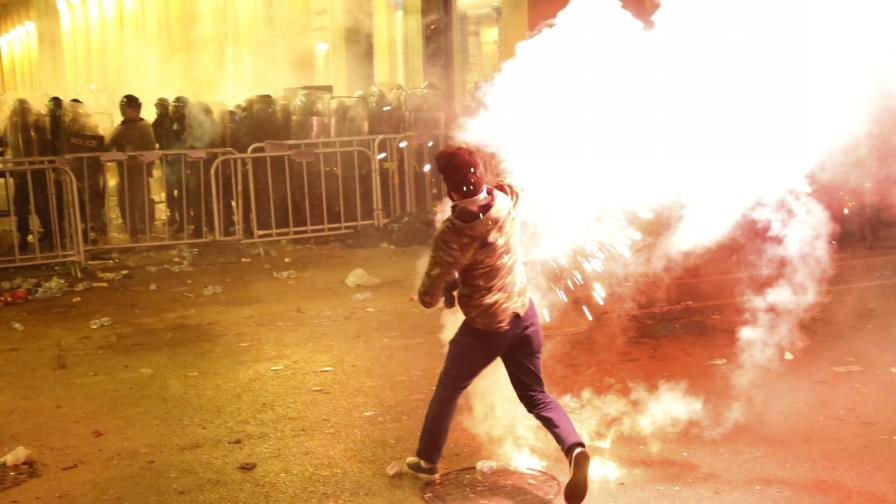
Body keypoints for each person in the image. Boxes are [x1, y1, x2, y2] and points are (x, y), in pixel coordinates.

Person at [402, 147, 591, 504]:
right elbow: (502, 199)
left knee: (449, 386)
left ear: (451, 190)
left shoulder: (453, 233)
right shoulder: (506, 199)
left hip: (487, 326)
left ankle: (427, 460)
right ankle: (574, 448)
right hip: (523, 314)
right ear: (481, 176)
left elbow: (428, 294)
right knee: (535, 395)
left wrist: (442, 286)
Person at [4, 98, 54, 253]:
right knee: (34, 206)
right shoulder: (34, 123)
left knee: (25, 206)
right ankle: (47, 236)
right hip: (32, 170)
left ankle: (30, 238)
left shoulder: (16, 124)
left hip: (28, 171)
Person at [108, 94, 156, 239]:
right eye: (129, 108)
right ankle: (132, 230)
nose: (132, 111)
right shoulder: (121, 128)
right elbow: (109, 145)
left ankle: (144, 229)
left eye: (134, 108)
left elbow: (150, 149)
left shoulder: (144, 126)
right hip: (125, 172)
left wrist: (141, 162)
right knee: (125, 202)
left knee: (140, 201)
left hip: (139, 172)